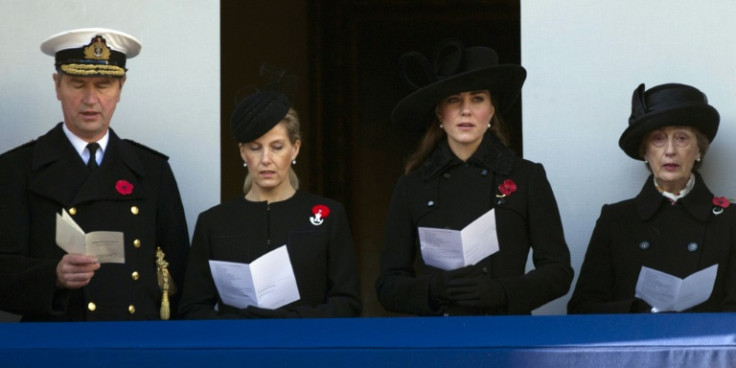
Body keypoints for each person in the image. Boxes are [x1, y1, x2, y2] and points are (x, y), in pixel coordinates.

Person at [0, 28, 190, 321]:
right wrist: (53, 277)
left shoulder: (152, 170)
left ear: (120, 88)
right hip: (58, 342)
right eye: (77, 84)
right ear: (57, 86)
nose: (90, 99)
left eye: (103, 85)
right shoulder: (16, 168)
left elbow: (178, 270)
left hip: (135, 340)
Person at [375, 39, 573, 316]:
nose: (465, 110)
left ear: (491, 110)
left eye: (477, 99)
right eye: (454, 100)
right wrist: (433, 290)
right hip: (439, 342)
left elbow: (558, 271)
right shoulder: (412, 186)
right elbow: (388, 284)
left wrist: (503, 292)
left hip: (506, 336)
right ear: (439, 113)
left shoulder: (527, 176)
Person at [179, 88, 361, 319]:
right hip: (238, 350)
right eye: (255, 148)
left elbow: (348, 303)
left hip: (306, 348)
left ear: (295, 148)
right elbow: (192, 308)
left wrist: (294, 320)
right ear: (243, 152)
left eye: (277, 147)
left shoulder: (330, 215)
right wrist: (236, 324)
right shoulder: (213, 222)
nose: (266, 159)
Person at [568, 83, 736, 313]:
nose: (670, 151)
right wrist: (639, 312)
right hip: (635, 345)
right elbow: (583, 307)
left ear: (699, 151)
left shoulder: (730, 220)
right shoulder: (616, 219)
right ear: (644, 152)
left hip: (707, 348)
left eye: (682, 138)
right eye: (658, 139)